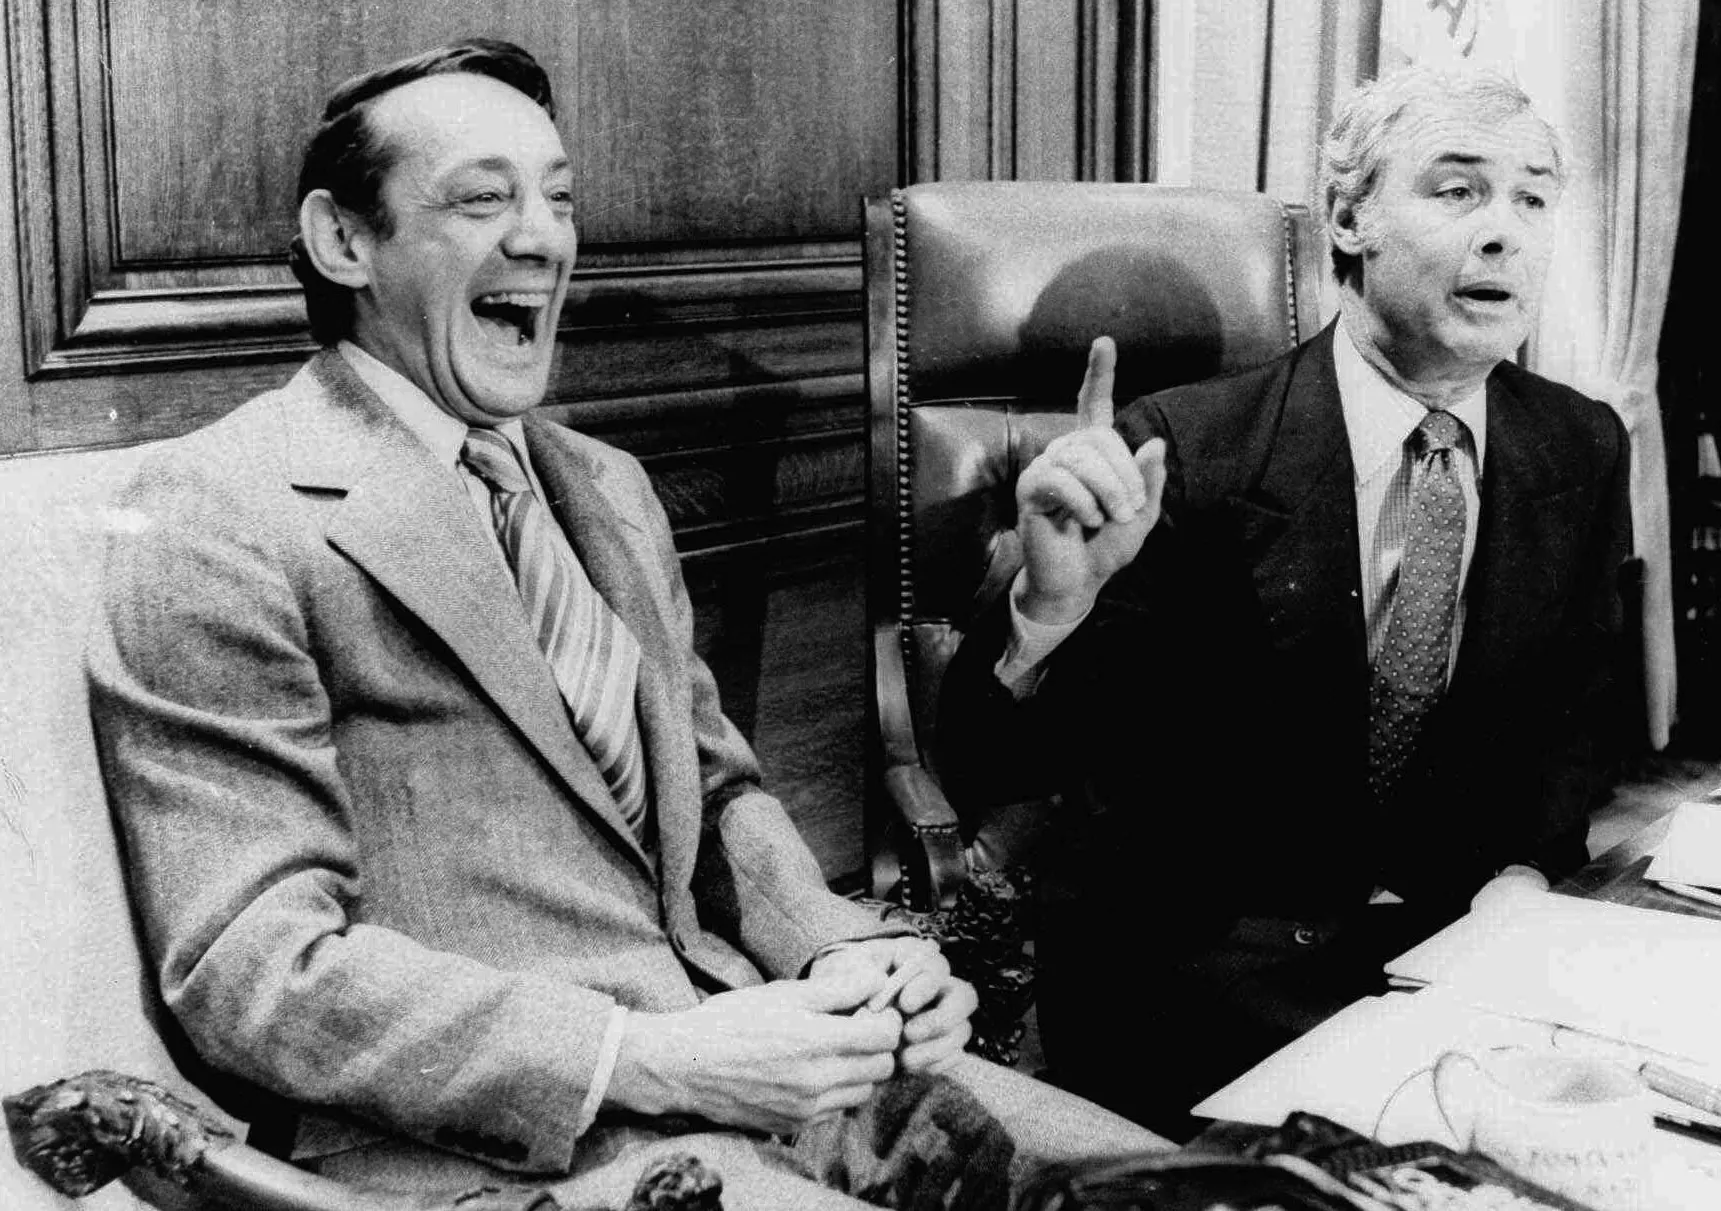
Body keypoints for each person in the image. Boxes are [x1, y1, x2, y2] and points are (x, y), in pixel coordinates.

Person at [87, 39, 1166, 1210]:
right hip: (501, 1150)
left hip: (759, 1062)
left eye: (557, 199)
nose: (543, 238)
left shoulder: (607, 487)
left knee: (1195, 1190)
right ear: (344, 240)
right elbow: (252, 966)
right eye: (483, 199)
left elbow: (717, 789)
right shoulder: (222, 511)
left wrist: (845, 951)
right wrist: (643, 1055)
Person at [936, 66, 1632, 1138]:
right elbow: (997, 775)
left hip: (1474, 946)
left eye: (1531, 197)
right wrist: (1048, 605)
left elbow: (1577, 714)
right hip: (1211, 973)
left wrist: (1523, 879)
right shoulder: (1181, 451)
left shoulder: (1580, 442)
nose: (1505, 231)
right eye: (1457, 190)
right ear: (1349, 218)